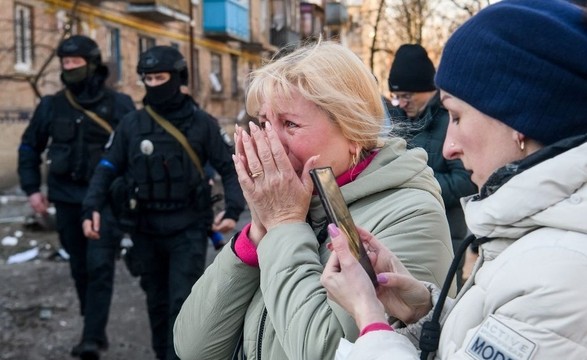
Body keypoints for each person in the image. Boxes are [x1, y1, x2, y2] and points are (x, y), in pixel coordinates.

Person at [321, 0, 587, 358]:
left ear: (519, 119)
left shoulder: (561, 274)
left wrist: (369, 317)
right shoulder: (537, 241)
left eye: (457, 117)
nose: (449, 147)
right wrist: (422, 310)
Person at [173, 41, 456, 360]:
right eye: (266, 123)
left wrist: (283, 225)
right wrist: (256, 237)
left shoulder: (411, 213)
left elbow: (332, 351)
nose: (271, 143)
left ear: (354, 133)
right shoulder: (298, 201)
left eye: (290, 124)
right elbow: (193, 348)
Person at [81, 45, 245, 360]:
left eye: (161, 77)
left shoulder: (203, 124)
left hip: (188, 228)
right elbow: (106, 168)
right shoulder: (131, 125)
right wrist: (91, 207)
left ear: (178, 77)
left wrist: (233, 208)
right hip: (144, 229)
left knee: (183, 303)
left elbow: (229, 167)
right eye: (149, 79)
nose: (154, 85)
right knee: (155, 302)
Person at [17, 35, 135, 360]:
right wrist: (31, 190)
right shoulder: (51, 105)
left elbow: (133, 150)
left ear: (92, 64)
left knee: (99, 266)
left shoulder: (119, 105)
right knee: (80, 267)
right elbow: (30, 147)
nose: (69, 69)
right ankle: (92, 324)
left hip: (103, 200)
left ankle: (92, 338)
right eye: (65, 64)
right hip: (67, 198)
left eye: (76, 63)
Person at [387, 44, 477, 282]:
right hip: (407, 231)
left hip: (446, 234)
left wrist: (414, 183)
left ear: (427, 90)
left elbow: (466, 180)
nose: (402, 103)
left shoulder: (450, 118)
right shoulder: (402, 121)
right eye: (396, 97)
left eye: (407, 96)